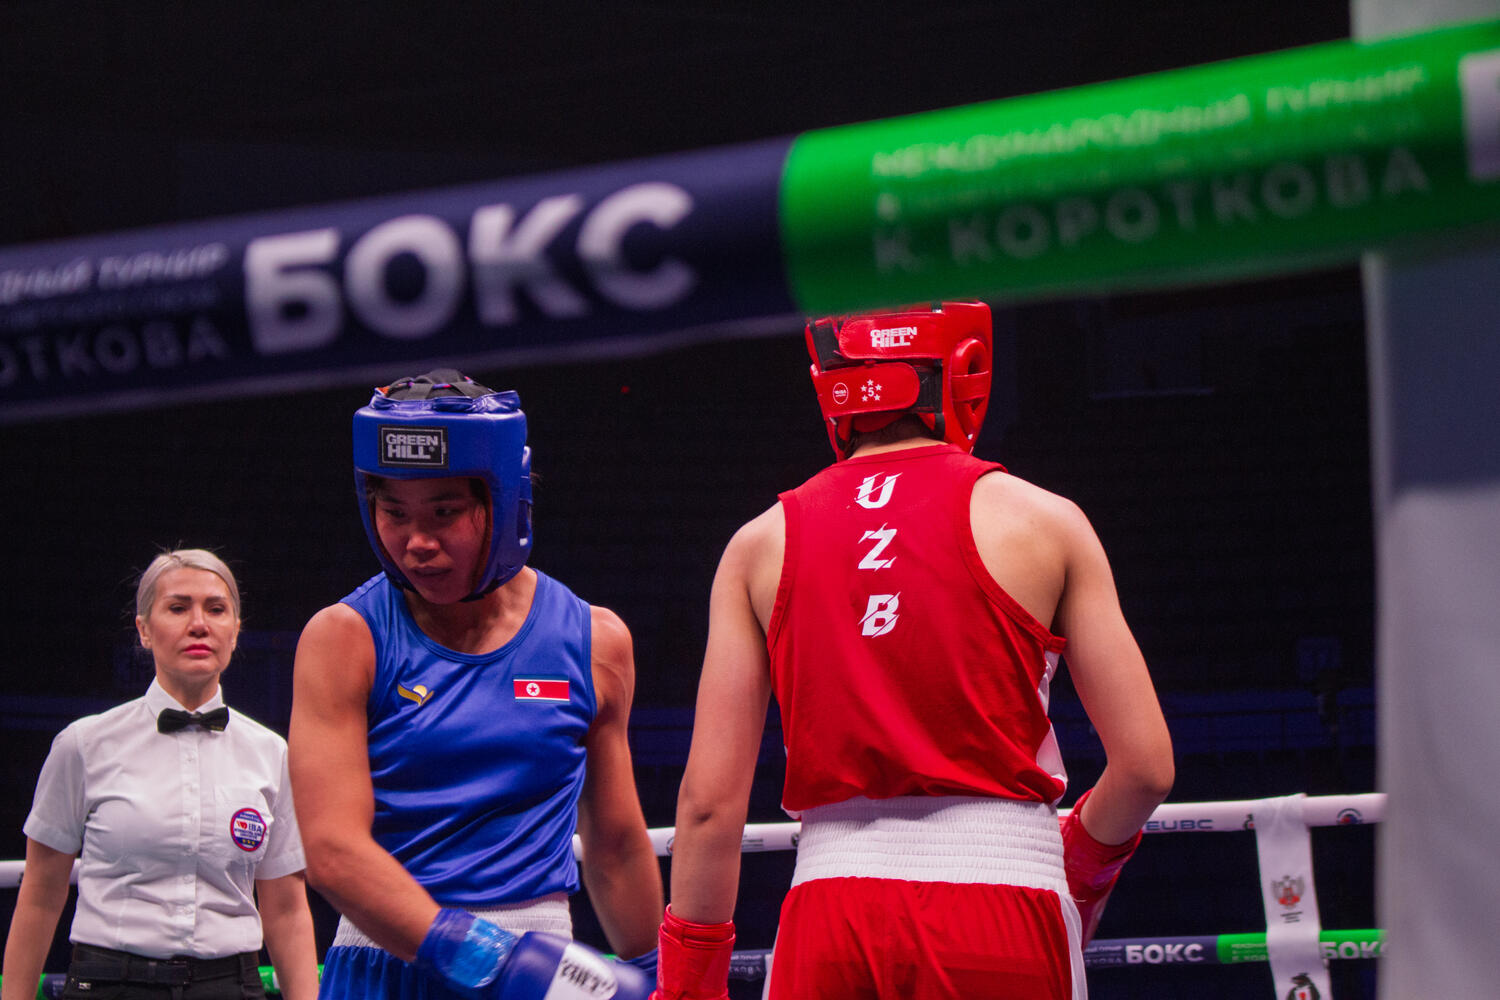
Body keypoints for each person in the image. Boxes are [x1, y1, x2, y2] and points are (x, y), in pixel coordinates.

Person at [655, 303, 1176, 999]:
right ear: (961, 374)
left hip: (828, 913)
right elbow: (1145, 769)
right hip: (1003, 907)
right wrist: (1079, 864)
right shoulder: (1045, 522)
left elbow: (708, 807)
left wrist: (687, 990)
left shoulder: (758, 544)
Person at [290, 370, 661, 999]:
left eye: (445, 512)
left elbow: (616, 847)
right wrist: (482, 957)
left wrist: (659, 974)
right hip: (386, 961)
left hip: (542, 962)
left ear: (504, 502)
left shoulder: (593, 641)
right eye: (394, 512)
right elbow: (331, 849)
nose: (417, 543)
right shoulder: (344, 638)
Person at [2, 549, 318, 1000]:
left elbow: (286, 910)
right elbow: (40, 895)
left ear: (235, 631)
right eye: (178, 607)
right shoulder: (85, 745)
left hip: (230, 986)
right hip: (110, 984)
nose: (199, 624)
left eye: (216, 609)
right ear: (144, 630)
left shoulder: (271, 753)